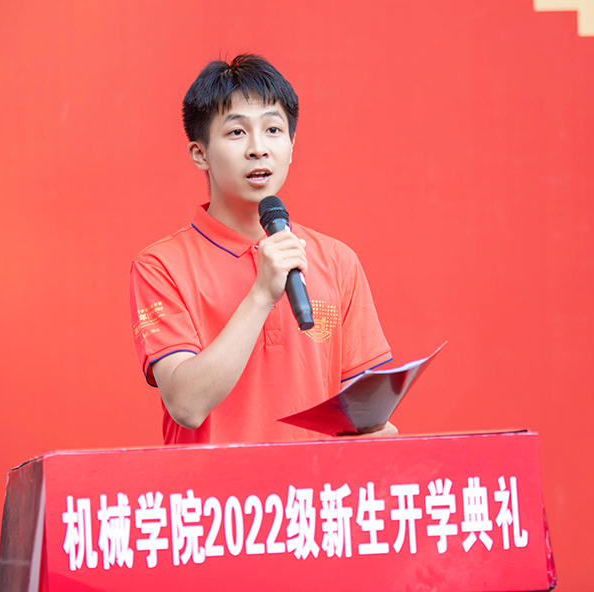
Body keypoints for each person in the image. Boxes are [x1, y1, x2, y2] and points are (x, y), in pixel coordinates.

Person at [129, 54, 396, 444]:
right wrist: (261, 295)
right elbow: (186, 405)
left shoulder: (338, 261)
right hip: (213, 486)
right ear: (200, 153)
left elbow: (363, 413)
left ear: (291, 146)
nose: (258, 149)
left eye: (273, 130)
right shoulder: (160, 266)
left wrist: (376, 436)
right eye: (237, 132)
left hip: (312, 484)